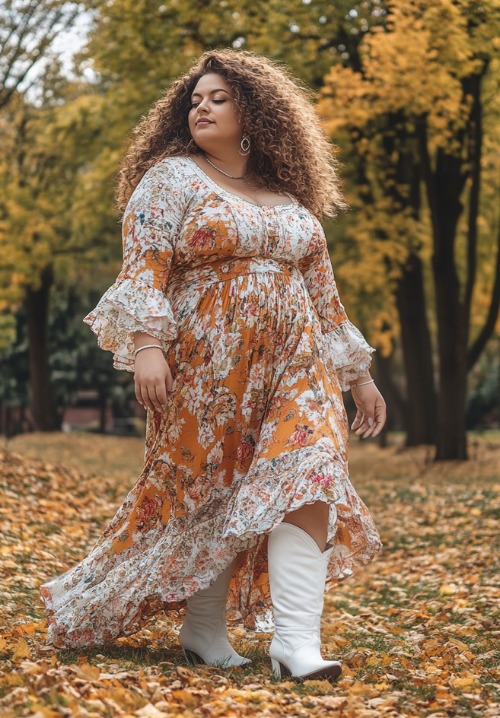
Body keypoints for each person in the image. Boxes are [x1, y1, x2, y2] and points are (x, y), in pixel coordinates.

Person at [40, 49, 385, 682]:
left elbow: (325, 299)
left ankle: (295, 645)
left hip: (296, 364)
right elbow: (143, 267)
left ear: (255, 112)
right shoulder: (170, 179)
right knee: (209, 492)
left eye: (219, 97)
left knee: (310, 477)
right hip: (207, 365)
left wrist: (358, 376)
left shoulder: (289, 198)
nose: (202, 106)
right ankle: (202, 629)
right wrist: (146, 345)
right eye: (196, 99)